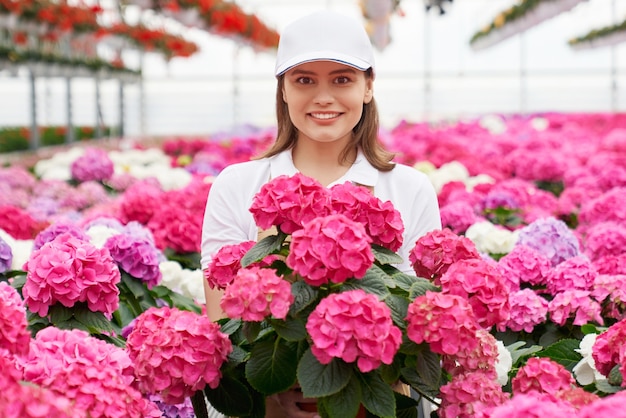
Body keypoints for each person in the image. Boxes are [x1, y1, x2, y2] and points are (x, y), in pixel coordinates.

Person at [201, 9, 441, 418]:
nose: (323, 97)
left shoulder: (409, 188)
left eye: (342, 79)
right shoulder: (237, 185)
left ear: (368, 86)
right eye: (304, 80)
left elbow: (421, 322)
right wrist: (277, 391)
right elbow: (224, 319)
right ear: (284, 91)